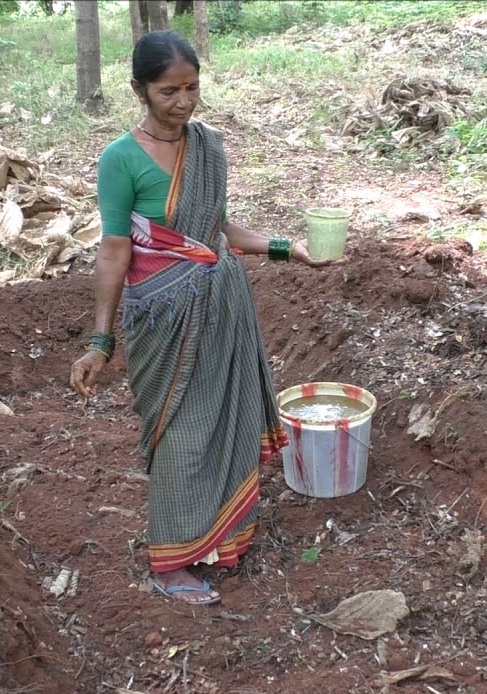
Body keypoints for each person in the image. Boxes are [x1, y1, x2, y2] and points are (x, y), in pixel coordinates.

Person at [69, 30, 339, 605]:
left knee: (229, 422)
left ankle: (221, 539)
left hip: (221, 309)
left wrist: (288, 249)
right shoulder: (120, 160)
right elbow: (115, 251)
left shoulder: (209, 146)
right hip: (161, 322)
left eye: (193, 87)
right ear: (139, 89)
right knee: (182, 436)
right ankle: (171, 562)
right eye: (170, 91)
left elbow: (217, 229)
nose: (185, 102)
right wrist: (100, 340)